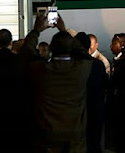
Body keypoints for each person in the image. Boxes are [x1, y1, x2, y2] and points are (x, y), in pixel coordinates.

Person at [20, 13, 93, 153]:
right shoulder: (82, 69)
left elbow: (27, 51)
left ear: (51, 49)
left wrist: (36, 31)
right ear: (71, 48)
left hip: (47, 133)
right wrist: (63, 30)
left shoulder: (40, 69)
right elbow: (84, 53)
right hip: (74, 133)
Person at [74, 32, 108, 153]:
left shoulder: (73, 66)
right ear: (89, 46)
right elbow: (105, 85)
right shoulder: (99, 65)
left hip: (76, 113)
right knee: (94, 144)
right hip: (95, 111)